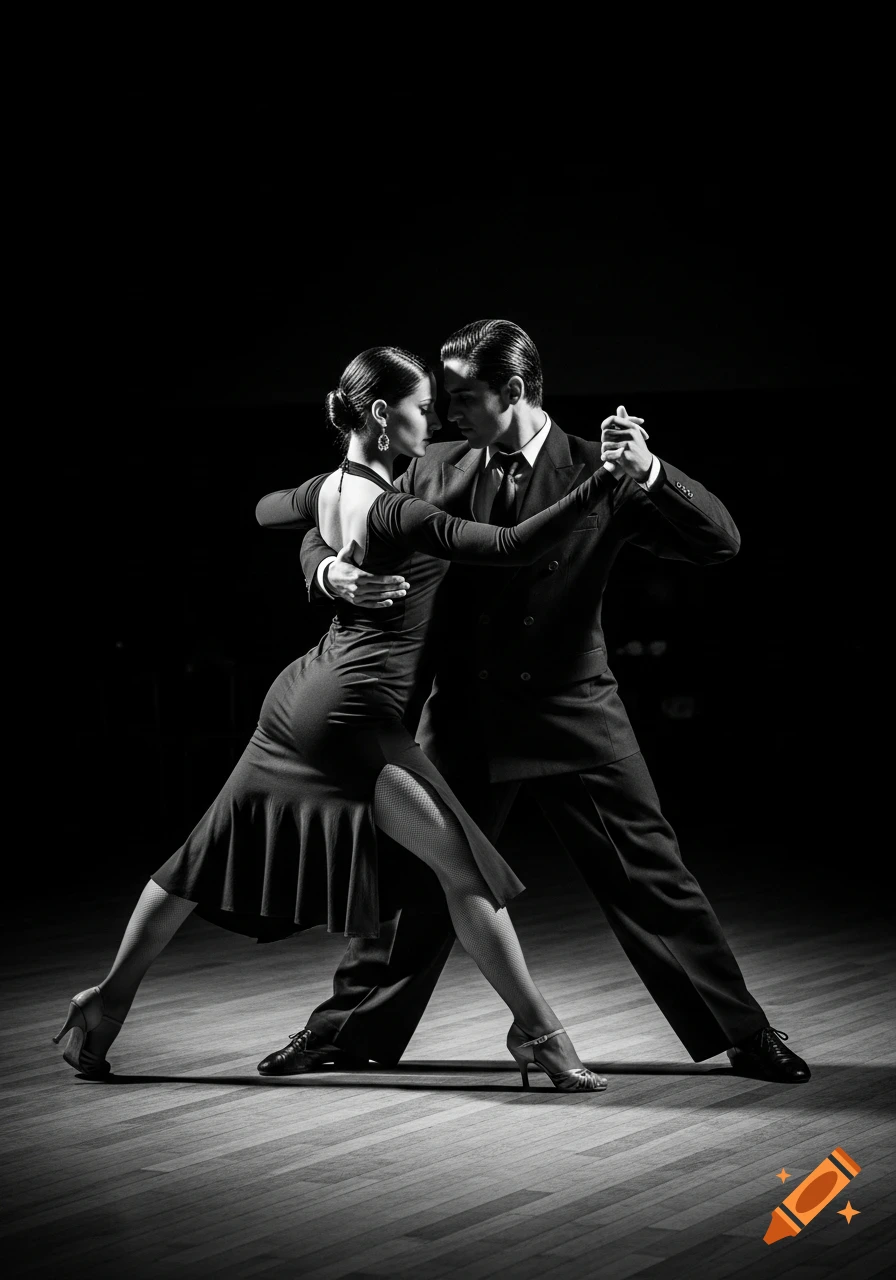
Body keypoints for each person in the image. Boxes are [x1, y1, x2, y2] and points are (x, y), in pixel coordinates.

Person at [256, 319, 811, 1086]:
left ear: (513, 392)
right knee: (415, 885)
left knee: (654, 880)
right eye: (442, 399)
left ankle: (743, 1033)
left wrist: (650, 470)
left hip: (575, 712)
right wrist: (328, 574)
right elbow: (328, 512)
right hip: (462, 719)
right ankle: (343, 1033)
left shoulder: (602, 467)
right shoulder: (430, 466)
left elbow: (720, 542)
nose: (445, 412)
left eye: (462, 397)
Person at [54, 345, 619, 1093]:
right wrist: (600, 483)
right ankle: (540, 1032)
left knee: (197, 860)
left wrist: (323, 564)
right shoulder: (398, 510)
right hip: (355, 720)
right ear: (384, 417)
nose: (436, 419)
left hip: (298, 700)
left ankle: (105, 1003)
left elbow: (264, 507)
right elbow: (514, 546)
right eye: (422, 407)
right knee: (465, 871)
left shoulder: (326, 488)